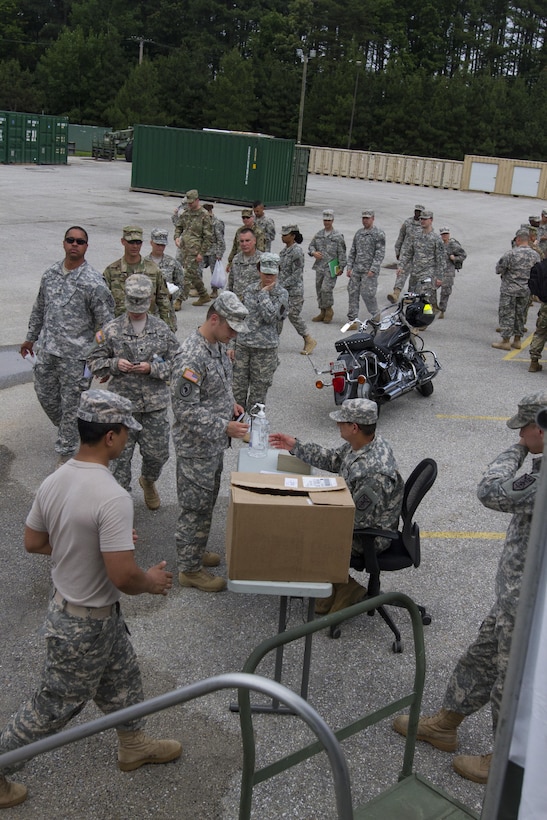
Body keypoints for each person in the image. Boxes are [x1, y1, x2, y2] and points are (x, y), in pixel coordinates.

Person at [0, 389, 181, 810]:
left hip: (85, 613)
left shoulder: (57, 477)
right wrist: (151, 580)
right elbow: (122, 575)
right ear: (112, 437)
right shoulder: (112, 496)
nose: (127, 440)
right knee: (54, 707)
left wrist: (102, 543)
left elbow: (34, 541)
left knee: (124, 676)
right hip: (83, 625)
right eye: (125, 432)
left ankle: (133, 744)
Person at [392, 392, 546, 785]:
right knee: (481, 657)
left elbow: (491, 491)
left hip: (531, 604)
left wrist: (518, 449)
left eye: (524, 427)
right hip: (516, 594)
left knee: (512, 683)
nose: (519, 433)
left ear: (540, 428)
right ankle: (446, 724)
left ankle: (506, 762)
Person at [270, 397, 404, 615]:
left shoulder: (373, 472)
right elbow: (334, 459)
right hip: (354, 517)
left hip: (369, 535)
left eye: (342, 421)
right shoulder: (364, 443)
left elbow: (358, 522)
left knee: (302, 531)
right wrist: (296, 446)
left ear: (354, 427)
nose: (337, 424)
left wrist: (315, 512)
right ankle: (334, 587)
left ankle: (346, 588)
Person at [171, 291, 250, 593]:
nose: (233, 336)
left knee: (206, 502)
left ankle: (196, 549)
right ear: (214, 319)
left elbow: (216, 386)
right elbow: (184, 410)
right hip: (196, 447)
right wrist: (224, 426)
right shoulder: (191, 356)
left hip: (213, 443)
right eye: (231, 329)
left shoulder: (216, 344)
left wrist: (231, 405)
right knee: (195, 506)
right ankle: (189, 569)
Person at [20, 226, 115, 465]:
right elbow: (39, 307)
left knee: (72, 405)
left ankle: (66, 455)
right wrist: (30, 337)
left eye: (80, 241)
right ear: (63, 243)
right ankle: (73, 431)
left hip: (77, 357)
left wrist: (100, 357)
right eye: (70, 240)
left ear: (86, 246)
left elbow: (106, 325)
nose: (74, 244)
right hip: (48, 350)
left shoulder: (93, 282)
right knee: (46, 395)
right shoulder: (50, 273)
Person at [87, 275, 180, 510]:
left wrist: (153, 368)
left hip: (154, 406)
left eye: (142, 304)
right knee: (119, 461)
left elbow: (179, 364)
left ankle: (148, 481)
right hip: (121, 407)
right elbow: (93, 360)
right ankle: (120, 506)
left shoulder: (161, 329)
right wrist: (114, 364)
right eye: (132, 304)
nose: (137, 310)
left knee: (157, 455)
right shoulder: (111, 329)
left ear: (149, 300)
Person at [232, 253, 288, 412]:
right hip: (243, 346)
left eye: (272, 273)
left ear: (278, 272)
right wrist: (231, 344)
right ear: (259, 271)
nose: (269, 277)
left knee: (258, 391)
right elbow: (238, 318)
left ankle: (253, 426)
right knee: (237, 388)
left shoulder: (282, 294)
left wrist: (264, 294)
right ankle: (238, 421)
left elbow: (271, 317)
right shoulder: (249, 290)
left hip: (265, 350)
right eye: (265, 273)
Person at [103, 226, 174, 330]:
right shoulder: (111, 271)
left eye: (138, 242)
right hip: (120, 330)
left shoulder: (153, 270)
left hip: (148, 329)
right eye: (131, 242)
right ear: (123, 242)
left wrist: (169, 329)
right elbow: (103, 305)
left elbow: (164, 303)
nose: (135, 246)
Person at [492, 228, 539, 351]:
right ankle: (517, 340)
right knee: (521, 314)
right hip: (526, 290)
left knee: (507, 314)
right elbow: (538, 271)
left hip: (510, 289)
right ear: (528, 240)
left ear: (518, 240)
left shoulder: (511, 253)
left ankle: (506, 341)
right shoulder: (535, 255)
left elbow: (499, 269)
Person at [279, 224, 317, 355]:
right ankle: (272, 340)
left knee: (293, 315)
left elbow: (296, 274)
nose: (283, 237)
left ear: (293, 236)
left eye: (285, 235)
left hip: (294, 291)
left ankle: (308, 339)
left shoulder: (297, 252)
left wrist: (282, 284)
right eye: (282, 234)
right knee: (278, 315)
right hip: (283, 291)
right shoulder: (283, 252)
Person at [398, 210, 446, 312]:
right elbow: (408, 253)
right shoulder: (416, 236)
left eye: (425, 219)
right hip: (415, 273)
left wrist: (440, 277)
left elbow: (441, 260)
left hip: (428, 273)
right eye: (421, 219)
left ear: (431, 220)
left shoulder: (436, 239)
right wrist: (401, 266)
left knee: (423, 298)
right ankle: (430, 312)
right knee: (413, 298)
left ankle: (422, 322)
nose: (422, 221)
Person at [173, 189, 213, 306]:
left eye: (191, 202)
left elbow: (208, 237)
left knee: (186, 275)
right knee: (193, 273)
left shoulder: (204, 216)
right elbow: (179, 227)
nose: (189, 205)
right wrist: (176, 237)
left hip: (195, 250)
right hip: (184, 248)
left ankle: (179, 300)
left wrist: (202, 253)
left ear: (197, 200)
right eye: (188, 203)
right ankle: (204, 295)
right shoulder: (186, 213)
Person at [307, 208, 347, 324]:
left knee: (326, 289)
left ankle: (329, 310)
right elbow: (311, 247)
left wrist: (341, 267)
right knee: (319, 289)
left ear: (333, 220)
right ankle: (322, 311)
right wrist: (313, 253)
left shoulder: (338, 236)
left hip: (332, 266)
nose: (326, 222)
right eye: (325, 220)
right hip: (320, 266)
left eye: (329, 220)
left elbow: (342, 253)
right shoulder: (319, 234)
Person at [346, 209, 386, 321]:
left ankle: (375, 315)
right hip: (357, 269)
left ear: (373, 218)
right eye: (363, 218)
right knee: (352, 292)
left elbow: (380, 253)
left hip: (369, 271)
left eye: (367, 218)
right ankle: (352, 319)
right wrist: (349, 267)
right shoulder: (359, 233)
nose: (365, 220)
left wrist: (373, 269)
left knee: (367, 294)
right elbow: (353, 251)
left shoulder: (378, 234)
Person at [145, 227, 185, 321]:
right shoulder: (144, 263)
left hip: (166, 312)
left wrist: (171, 296)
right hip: (148, 312)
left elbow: (181, 285)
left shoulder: (173, 263)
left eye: (163, 245)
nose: (160, 247)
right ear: (151, 243)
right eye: (158, 244)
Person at [388, 203, 425, 303]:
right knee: (401, 272)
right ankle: (396, 293)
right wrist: (397, 250)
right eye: (416, 211)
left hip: (418, 255)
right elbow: (401, 236)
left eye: (420, 212)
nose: (418, 213)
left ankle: (410, 296)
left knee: (414, 276)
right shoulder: (408, 222)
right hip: (405, 253)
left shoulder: (424, 225)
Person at [438, 227, 467, 318]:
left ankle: (442, 310)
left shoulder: (453, 245)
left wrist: (455, 258)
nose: (444, 236)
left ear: (449, 235)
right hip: (437, 271)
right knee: (430, 289)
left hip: (448, 272)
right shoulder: (438, 244)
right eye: (443, 234)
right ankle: (434, 307)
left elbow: (463, 255)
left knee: (445, 292)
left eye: (446, 234)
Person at [227, 228, 262, 300]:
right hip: (237, 303)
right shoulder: (236, 259)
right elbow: (231, 282)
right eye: (241, 241)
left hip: (254, 303)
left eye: (247, 240)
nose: (244, 244)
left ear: (254, 241)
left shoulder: (262, 260)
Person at [202, 203, 226, 297]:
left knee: (214, 271)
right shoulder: (203, 221)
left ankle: (214, 290)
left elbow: (220, 240)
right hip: (204, 250)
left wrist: (220, 253)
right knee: (197, 268)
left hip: (213, 251)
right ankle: (198, 288)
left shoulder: (217, 223)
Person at [528, 257, 547, 372]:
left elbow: (533, 283)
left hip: (545, 304)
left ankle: (534, 362)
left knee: (540, 333)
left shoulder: (541, 266)